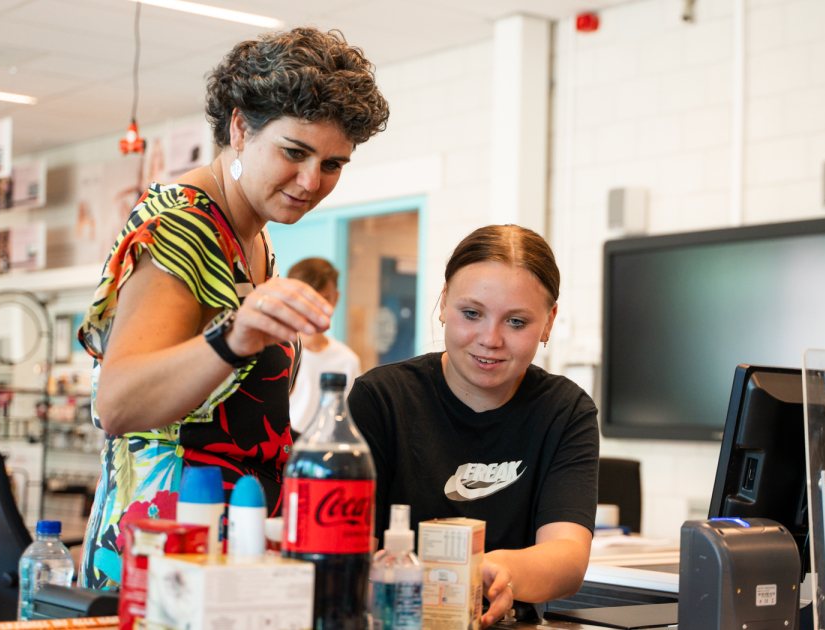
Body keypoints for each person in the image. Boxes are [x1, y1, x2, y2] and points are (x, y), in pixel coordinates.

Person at [75, 27, 389, 590]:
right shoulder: (184, 224)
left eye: (333, 164)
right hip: (165, 556)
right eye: (294, 153)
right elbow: (117, 403)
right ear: (240, 128)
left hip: (230, 545)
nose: (311, 181)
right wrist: (232, 338)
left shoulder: (257, 240)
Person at [348, 224, 599, 626]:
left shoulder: (565, 410)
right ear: (444, 303)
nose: (490, 339)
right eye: (472, 314)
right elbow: (349, 553)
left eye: (516, 322)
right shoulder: (381, 399)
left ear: (548, 322)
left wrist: (499, 571)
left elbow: (568, 557)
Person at [286, 257, 361, 434]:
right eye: (307, 299)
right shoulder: (280, 352)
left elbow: (350, 418)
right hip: (282, 452)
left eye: (325, 298)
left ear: (336, 298)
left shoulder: (347, 360)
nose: (315, 307)